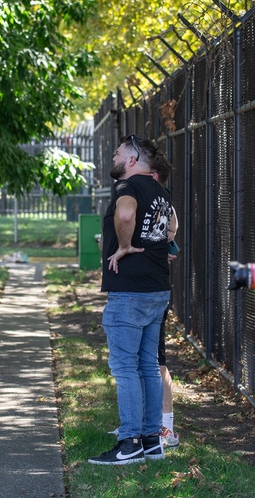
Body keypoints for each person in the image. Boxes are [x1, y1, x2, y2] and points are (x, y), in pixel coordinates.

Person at [89, 135, 173, 466]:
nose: (113, 156)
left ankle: (129, 443)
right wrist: (160, 247)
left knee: (125, 369)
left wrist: (123, 247)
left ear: (133, 159)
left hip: (131, 291)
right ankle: (152, 441)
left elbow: (125, 216)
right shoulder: (160, 191)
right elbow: (173, 227)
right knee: (148, 366)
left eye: (118, 152)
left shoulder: (129, 189)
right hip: (156, 289)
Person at [150, 153, 180, 450]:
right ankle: (147, 424)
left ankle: (166, 428)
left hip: (154, 290)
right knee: (146, 362)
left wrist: (162, 248)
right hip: (150, 288)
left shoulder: (160, 200)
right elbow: (172, 232)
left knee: (158, 362)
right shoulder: (160, 200)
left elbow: (173, 229)